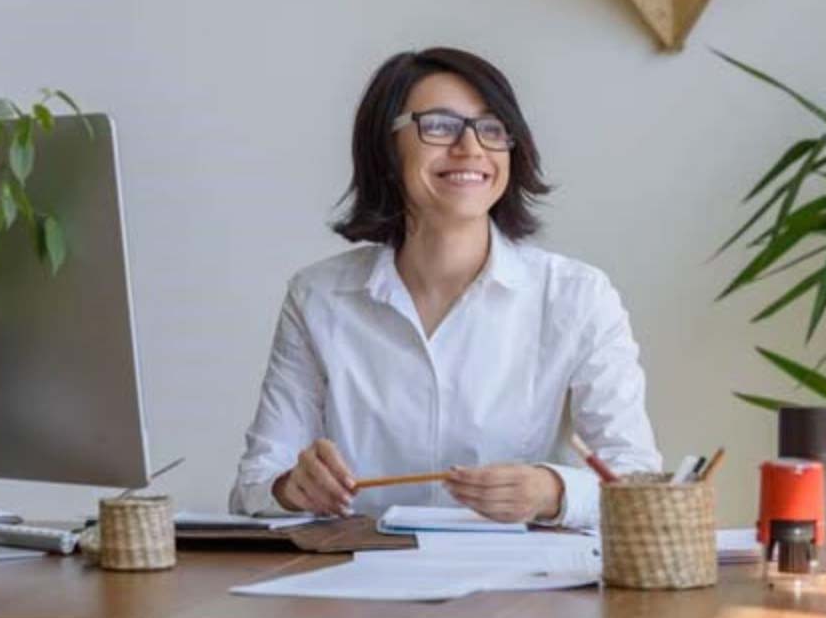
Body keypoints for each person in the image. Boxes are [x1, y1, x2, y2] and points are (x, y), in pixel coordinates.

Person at [229, 47, 661, 529]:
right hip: (357, 582)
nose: (471, 148)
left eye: (491, 128)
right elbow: (255, 483)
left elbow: (637, 477)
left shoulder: (576, 296)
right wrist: (292, 489)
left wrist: (553, 491)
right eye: (439, 125)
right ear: (386, 147)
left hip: (517, 589)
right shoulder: (317, 296)